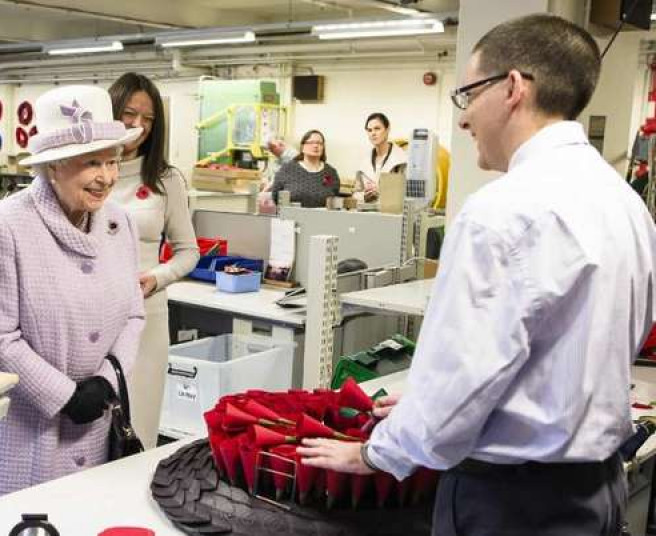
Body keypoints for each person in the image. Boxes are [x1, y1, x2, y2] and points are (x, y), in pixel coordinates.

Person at [297, 13, 656, 536]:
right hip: (596, 490)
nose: (462, 122)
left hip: (509, 502)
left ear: (513, 88)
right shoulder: (624, 203)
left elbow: (463, 377)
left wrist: (377, 454)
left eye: (466, 96)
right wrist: (427, 402)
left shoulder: (501, 211)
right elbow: (567, 354)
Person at [0, 85, 145, 503]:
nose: (107, 177)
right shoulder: (0, 225)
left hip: (95, 420)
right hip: (23, 426)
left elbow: (134, 315)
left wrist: (106, 380)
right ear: (54, 165)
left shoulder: (121, 224)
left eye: (113, 161)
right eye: (92, 162)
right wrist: (63, 396)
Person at [108, 72, 199, 448]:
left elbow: (188, 251)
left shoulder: (165, 179)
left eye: (149, 119)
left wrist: (156, 278)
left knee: (139, 427)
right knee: (93, 430)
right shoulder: (88, 169)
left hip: (147, 317)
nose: (138, 126)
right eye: (130, 114)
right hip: (93, 315)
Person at [270, 129, 340, 208]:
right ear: (302, 146)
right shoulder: (287, 170)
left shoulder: (330, 173)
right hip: (292, 218)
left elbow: (333, 196)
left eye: (320, 143)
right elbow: (275, 196)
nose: (316, 146)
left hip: (322, 218)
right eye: (311, 142)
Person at [356, 112, 407, 202]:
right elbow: (356, 193)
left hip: (391, 213)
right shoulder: (363, 163)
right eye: (369, 130)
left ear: (387, 130)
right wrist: (364, 196)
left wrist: (381, 191)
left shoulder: (402, 160)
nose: (373, 133)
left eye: (377, 129)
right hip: (368, 213)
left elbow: (408, 194)